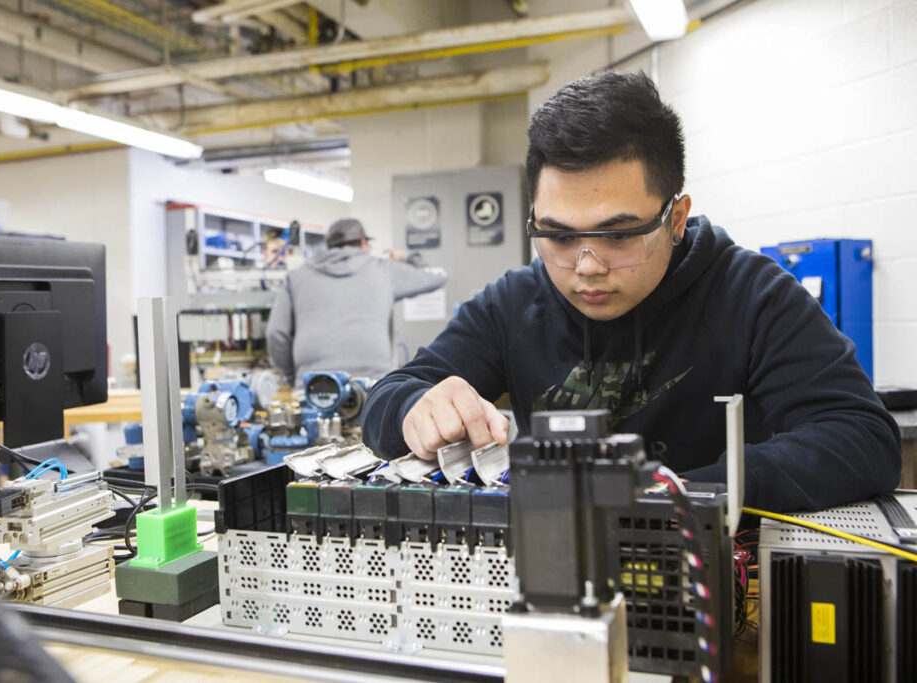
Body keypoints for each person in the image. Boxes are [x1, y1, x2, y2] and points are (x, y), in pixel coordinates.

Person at [361, 70, 900, 514]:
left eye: (619, 235)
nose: (587, 267)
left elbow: (861, 438)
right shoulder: (513, 303)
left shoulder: (753, 295)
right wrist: (415, 405)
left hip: (713, 578)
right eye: (559, 235)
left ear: (676, 218)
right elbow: (387, 400)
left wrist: (675, 494)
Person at [266, 218, 447, 387]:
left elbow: (276, 333)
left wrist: (293, 377)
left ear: (329, 246)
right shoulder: (382, 269)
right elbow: (438, 276)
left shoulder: (297, 276)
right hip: (372, 384)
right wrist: (406, 257)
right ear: (363, 243)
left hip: (314, 384)